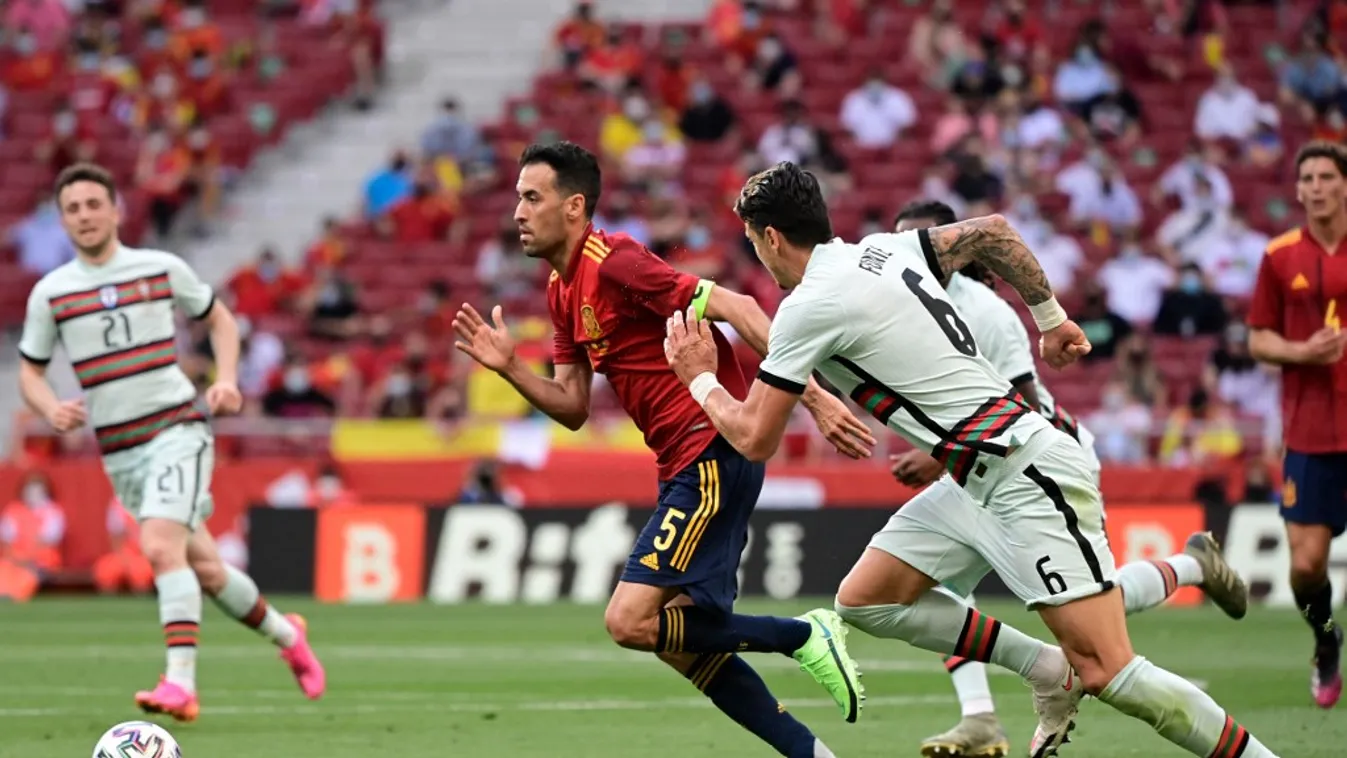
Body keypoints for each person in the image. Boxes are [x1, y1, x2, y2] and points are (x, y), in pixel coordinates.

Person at [663, 161, 1281, 758]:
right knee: (867, 599)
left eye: (753, 242)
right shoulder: (885, 249)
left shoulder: (808, 304)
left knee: (1108, 668)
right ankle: (1046, 670)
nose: (758, 257)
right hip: (973, 476)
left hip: (1024, 470)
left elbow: (755, 437)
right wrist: (1052, 318)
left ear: (771, 237)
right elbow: (994, 232)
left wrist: (699, 379)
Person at [452, 142, 868, 758]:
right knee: (680, 642)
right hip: (684, 463)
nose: (517, 210)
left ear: (573, 206)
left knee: (629, 622)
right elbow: (571, 405)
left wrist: (813, 396)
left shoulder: (614, 260)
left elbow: (739, 306)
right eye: (517, 197)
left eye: (531, 197)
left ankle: (802, 635)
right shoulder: (561, 290)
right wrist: (512, 368)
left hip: (711, 452)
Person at [889, 200, 1249, 757]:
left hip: (1045, 465)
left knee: (1090, 615)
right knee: (940, 592)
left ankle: (1190, 566)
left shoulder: (985, 313)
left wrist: (937, 458)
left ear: (952, 249)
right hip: (983, 468)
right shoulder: (909, 307)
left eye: (918, 243)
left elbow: (1023, 408)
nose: (904, 257)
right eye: (896, 244)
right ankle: (981, 717)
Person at [16, 163, 326, 722]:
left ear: (116, 210)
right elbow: (30, 373)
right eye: (73, 209)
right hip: (121, 452)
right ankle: (289, 637)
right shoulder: (52, 294)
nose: (84, 216)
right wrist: (49, 408)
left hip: (177, 428)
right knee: (204, 570)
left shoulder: (159, 269)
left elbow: (222, 321)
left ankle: (180, 685)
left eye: (93, 204)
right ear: (63, 221)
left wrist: (226, 378)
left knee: (160, 547)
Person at [1247, 141, 1347, 710]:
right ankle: (1325, 639)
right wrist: (1303, 352)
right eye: (1306, 176)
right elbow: (1258, 338)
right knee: (1305, 567)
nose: (1314, 185)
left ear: (1343, 184)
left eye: (1326, 176)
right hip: (1310, 433)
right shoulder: (1279, 256)